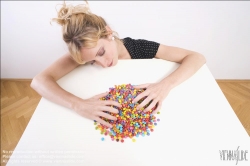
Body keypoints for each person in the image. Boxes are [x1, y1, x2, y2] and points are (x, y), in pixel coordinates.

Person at [31, 1, 206, 128]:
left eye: (101, 53)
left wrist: (164, 86)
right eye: (92, 62)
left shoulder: (140, 47)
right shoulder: (82, 53)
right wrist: (78, 104)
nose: (102, 64)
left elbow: (196, 57)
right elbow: (39, 81)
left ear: (108, 33)